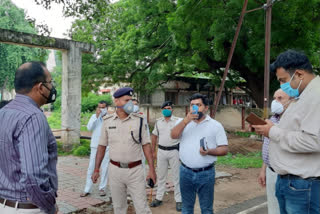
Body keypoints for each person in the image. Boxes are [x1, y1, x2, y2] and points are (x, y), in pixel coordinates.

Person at [253, 50, 320, 214]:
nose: (282, 86)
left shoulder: (316, 97)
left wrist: (273, 131)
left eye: (283, 80)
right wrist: (271, 127)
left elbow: (314, 141)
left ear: (299, 74)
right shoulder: (303, 96)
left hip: (303, 186)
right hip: (291, 183)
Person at [0, 62, 58, 214]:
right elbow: (33, 176)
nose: (52, 88)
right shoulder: (33, 117)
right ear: (40, 87)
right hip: (27, 207)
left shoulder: (3, 112)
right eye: (50, 82)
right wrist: (49, 205)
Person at [91, 87, 156, 214]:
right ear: (116, 101)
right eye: (127, 100)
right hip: (115, 171)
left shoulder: (140, 120)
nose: (130, 103)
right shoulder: (107, 121)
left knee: (142, 208)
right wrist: (96, 169)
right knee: (119, 208)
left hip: (135, 171)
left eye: (131, 100)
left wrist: (152, 170)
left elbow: (146, 145)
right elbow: (102, 146)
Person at [171, 93, 228, 214]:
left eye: (198, 105)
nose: (194, 108)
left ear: (206, 108)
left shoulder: (215, 126)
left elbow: (224, 149)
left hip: (206, 173)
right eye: (192, 105)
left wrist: (209, 151)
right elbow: (173, 135)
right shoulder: (183, 122)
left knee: (206, 209)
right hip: (185, 172)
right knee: (186, 208)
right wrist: (186, 121)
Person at [257, 89, 290, 214]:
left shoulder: (293, 121)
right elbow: (268, 145)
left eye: (280, 98)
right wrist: (263, 169)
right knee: (273, 208)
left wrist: (273, 129)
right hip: (271, 170)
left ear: (292, 101)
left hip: (287, 173)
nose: (275, 102)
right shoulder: (273, 119)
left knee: (289, 209)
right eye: (274, 98)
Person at [150, 101, 182, 212]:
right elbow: (154, 136)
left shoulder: (178, 121)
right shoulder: (158, 122)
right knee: (161, 176)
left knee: (176, 176)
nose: (166, 109)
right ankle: (159, 198)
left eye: (169, 107)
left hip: (174, 151)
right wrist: (153, 151)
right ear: (162, 110)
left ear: (172, 109)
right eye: (164, 108)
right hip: (161, 151)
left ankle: (179, 200)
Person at [80, 101, 110, 197]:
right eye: (99, 107)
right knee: (91, 167)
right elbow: (89, 128)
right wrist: (97, 117)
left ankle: (102, 188)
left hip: (107, 146)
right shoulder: (94, 116)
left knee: (105, 167)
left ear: (107, 108)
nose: (101, 109)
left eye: (103, 107)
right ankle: (87, 189)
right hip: (95, 146)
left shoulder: (111, 118)